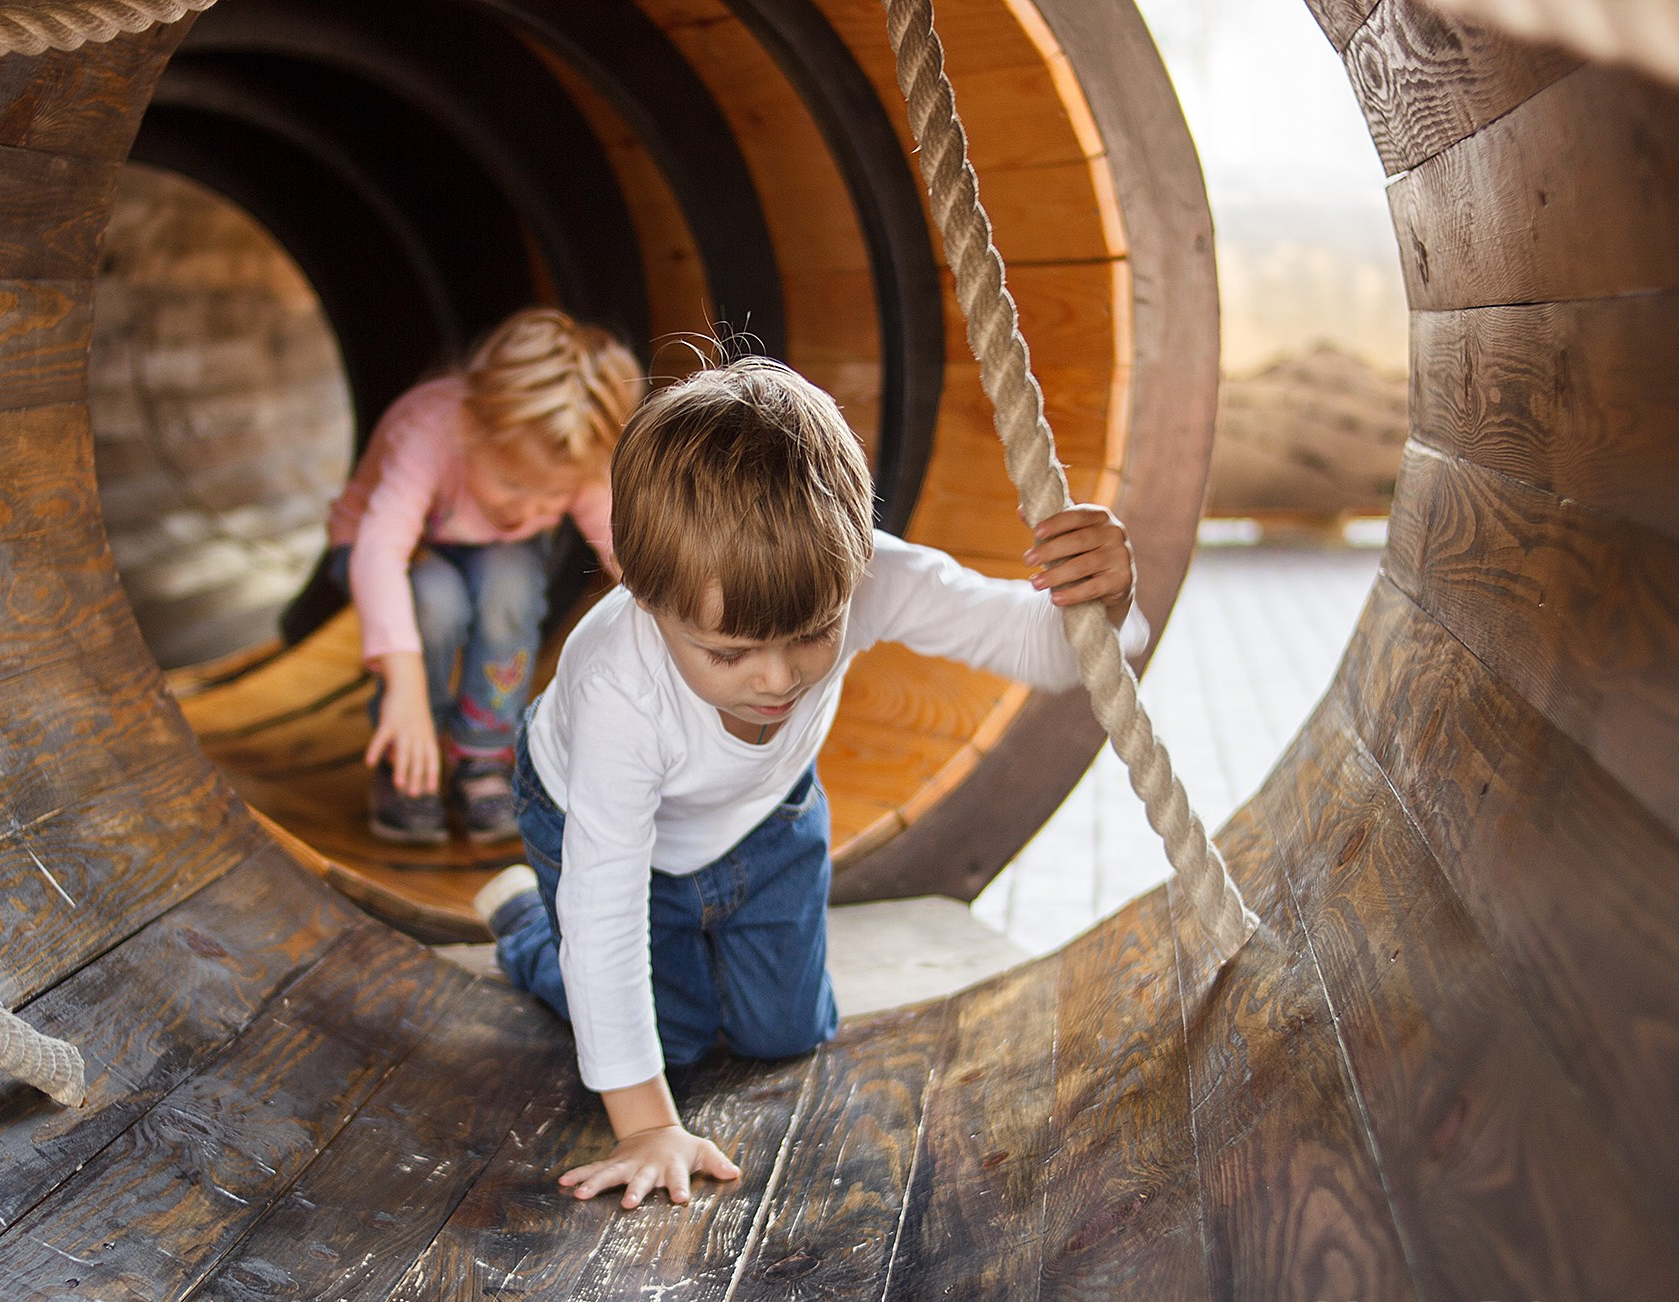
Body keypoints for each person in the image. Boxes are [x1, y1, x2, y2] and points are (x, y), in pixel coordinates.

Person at [472, 357, 1149, 1208]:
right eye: (729, 652)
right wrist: (646, 1124)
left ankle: (685, 952)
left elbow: (1041, 650)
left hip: (763, 818)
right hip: (602, 830)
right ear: (643, 596)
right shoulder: (619, 685)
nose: (777, 678)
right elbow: (605, 909)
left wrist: (1105, 601)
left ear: (854, 560)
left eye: (812, 634)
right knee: (668, 1039)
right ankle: (528, 927)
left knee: (786, 1031)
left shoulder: (864, 572)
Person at [323, 308, 641, 844]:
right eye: (513, 483)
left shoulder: (570, 444)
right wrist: (403, 688)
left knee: (511, 582)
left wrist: (676, 618)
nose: (532, 507)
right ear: (474, 428)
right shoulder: (429, 431)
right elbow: (379, 551)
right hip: (385, 548)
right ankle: (408, 753)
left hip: (493, 550)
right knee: (437, 597)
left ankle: (483, 753)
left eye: (554, 496)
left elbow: (626, 550)